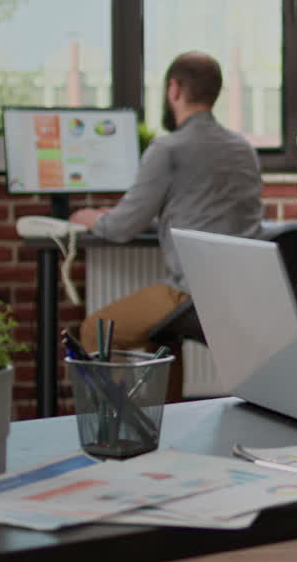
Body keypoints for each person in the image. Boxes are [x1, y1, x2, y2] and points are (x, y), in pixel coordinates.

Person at [70, 51, 264, 401]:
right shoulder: (243, 149)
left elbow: (120, 228)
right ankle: (168, 425)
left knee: (95, 331)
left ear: (174, 89)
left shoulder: (169, 148)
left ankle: (118, 429)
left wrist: (92, 218)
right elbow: (208, 209)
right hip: (246, 292)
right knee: (161, 336)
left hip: (191, 294)